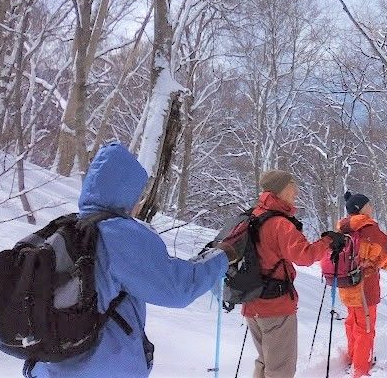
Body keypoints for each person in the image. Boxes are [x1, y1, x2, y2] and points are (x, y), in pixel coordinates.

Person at [33, 142, 238, 378]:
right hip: (100, 367)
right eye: (138, 195)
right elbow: (177, 288)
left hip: (51, 365)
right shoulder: (118, 234)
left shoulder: (67, 226)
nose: (139, 204)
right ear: (125, 192)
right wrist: (222, 257)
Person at [239, 170, 343, 378]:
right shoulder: (279, 224)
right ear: (281, 189)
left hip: (252, 302)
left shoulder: (253, 216)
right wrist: (329, 241)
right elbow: (304, 255)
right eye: (292, 184)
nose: (296, 190)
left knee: (265, 362)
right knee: (280, 371)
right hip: (275, 306)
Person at [335, 191, 387, 378]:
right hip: (365, 286)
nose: (371, 207)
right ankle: (361, 369)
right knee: (365, 327)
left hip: (345, 284)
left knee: (352, 323)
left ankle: (354, 358)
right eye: (368, 204)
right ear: (360, 209)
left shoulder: (342, 229)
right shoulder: (369, 230)